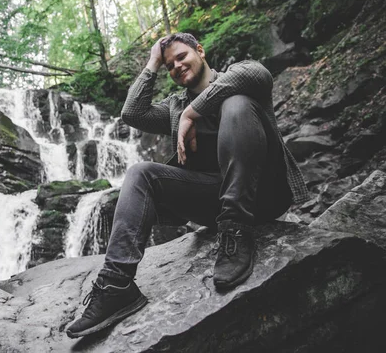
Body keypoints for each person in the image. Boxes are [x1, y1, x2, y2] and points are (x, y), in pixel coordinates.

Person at [65, 33, 309, 339]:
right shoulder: (174, 106)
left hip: (265, 191)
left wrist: (195, 112)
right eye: (170, 65)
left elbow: (257, 74)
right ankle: (115, 285)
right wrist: (153, 62)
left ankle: (236, 231)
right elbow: (132, 113)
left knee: (236, 103)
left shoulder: (236, 74)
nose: (177, 66)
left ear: (201, 51)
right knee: (141, 173)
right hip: (213, 201)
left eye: (182, 57)